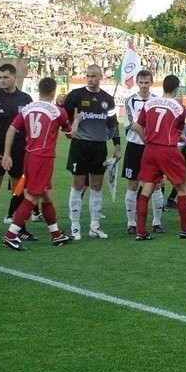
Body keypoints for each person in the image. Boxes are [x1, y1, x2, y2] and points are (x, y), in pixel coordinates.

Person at [1, 77, 79, 251]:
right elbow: (71, 134)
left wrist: (7, 154)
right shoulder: (58, 111)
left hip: (29, 156)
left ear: (39, 90)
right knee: (33, 196)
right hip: (43, 158)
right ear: (53, 92)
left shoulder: (28, 108)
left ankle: (56, 234)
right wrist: (78, 120)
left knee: (46, 195)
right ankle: (11, 235)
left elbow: (11, 129)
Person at [130, 75, 186, 240]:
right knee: (182, 188)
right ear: (177, 88)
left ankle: (140, 231)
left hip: (150, 149)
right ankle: (185, 229)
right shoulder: (179, 107)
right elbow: (177, 131)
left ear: (162, 86)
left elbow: (139, 126)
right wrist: (180, 137)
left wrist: (147, 140)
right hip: (168, 150)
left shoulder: (149, 103)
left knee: (146, 188)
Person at [65, 64, 121, 240]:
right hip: (80, 145)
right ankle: (75, 225)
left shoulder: (107, 99)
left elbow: (112, 124)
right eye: (88, 76)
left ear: (101, 77)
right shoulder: (75, 96)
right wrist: (71, 125)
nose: (90, 79)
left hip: (99, 147)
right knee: (78, 184)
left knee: (97, 186)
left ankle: (95, 226)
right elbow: (64, 119)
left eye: (94, 76)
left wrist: (117, 146)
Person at [0, 63, 36, 243]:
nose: (2, 81)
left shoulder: (25, 98)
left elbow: (31, 126)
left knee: (19, 189)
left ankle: (19, 228)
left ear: (15, 77)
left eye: (6, 77)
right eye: (0, 77)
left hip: (19, 149)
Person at [122, 70, 165, 235]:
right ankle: (131, 222)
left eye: (147, 82)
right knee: (132, 184)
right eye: (141, 82)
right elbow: (131, 124)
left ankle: (157, 221)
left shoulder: (157, 101)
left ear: (151, 83)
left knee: (156, 184)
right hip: (135, 145)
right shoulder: (130, 101)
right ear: (137, 83)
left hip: (153, 147)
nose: (144, 86)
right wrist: (145, 136)